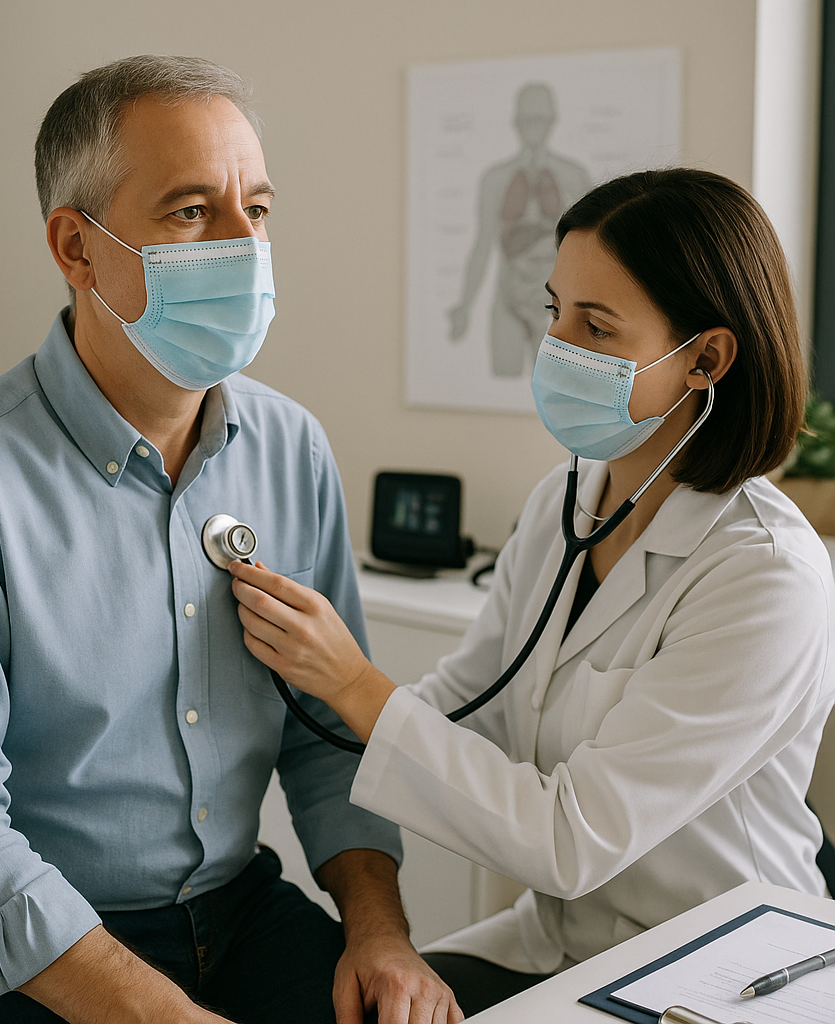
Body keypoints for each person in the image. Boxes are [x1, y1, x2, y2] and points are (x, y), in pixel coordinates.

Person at [0, 55, 460, 1024]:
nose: (243, 245)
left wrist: (378, 930)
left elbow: (327, 740)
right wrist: (158, 1013)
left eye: (255, 209)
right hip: (18, 941)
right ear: (75, 247)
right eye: (190, 211)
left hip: (234, 914)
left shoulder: (292, 447)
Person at [229, 168, 835, 1017]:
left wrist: (355, 685)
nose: (558, 345)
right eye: (556, 311)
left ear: (705, 358)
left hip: (719, 969)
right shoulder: (567, 499)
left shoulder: (767, 577)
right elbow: (475, 700)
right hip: (564, 945)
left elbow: (569, 838)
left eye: (597, 324)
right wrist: (287, 707)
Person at [446, 82, 591, 378]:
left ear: (552, 121)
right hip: (507, 297)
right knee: (503, 380)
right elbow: (482, 244)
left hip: (555, 303)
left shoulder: (574, 177)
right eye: (527, 119)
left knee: (556, 391)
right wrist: (464, 306)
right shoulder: (495, 179)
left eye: (540, 119)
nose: (534, 127)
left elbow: (591, 250)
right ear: (516, 123)